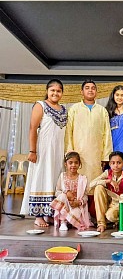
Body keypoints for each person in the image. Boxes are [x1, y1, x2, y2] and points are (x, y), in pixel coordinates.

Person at [20, 79, 67, 227]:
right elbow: (32, 128)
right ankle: (38, 215)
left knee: (54, 180)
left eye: (58, 91)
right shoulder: (40, 105)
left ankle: (50, 214)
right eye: (52, 90)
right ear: (47, 91)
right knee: (41, 178)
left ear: (62, 93)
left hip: (58, 151)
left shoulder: (64, 109)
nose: (55, 93)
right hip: (43, 151)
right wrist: (32, 151)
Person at [65, 79, 113, 186]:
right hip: (79, 153)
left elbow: (107, 134)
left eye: (93, 88)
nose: (90, 90)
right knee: (79, 183)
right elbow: (68, 132)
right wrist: (70, 153)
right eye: (87, 88)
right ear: (82, 92)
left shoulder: (102, 110)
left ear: (96, 92)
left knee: (95, 183)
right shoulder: (74, 109)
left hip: (96, 154)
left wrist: (106, 157)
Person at [50, 151, 92, 231]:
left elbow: (85, 196)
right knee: (62, 196)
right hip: (64, 204)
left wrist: (79, 202)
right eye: (70, 163)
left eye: (76, 163)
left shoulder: (83, 178)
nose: (73, 165)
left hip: (76, 205)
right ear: (66, 164)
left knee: (76, 213)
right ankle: (63, 222)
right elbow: (57, 192)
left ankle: (71, 221)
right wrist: (66, 192)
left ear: (79, 164)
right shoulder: (62, 176)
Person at [89, 151, 123, 233]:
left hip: (119, 203)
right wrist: (108, 181)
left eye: (119, 163)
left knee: (110, 216)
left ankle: (122, 219)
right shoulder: (107, 173)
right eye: (113, 163)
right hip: (108, 202)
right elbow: (91, 184)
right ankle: (101, 223)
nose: (116, 166)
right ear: (109, 164)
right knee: (99, 187)